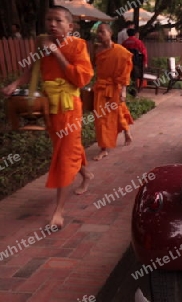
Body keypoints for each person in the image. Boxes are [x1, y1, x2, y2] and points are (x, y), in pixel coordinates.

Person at [1, 6, 94, 228]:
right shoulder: (41, 43)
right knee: (66, 149)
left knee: (63, 156)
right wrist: (15, 84)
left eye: (58, 21)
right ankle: (86, 175)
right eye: (49, 20)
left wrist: (56, 52)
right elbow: (30, 71)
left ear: (70, 26)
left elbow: (81, 79)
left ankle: (58, 212)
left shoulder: (78, 45)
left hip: (70, 107)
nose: (52, 24)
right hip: (51, 107)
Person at [92, 23, 134, 161]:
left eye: (102, 31)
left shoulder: (121, 52)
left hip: (115, 88)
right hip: (100, 88)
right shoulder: (97, 50)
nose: (99, 34)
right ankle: (103, 148)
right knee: (100, 120)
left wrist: (123, 91)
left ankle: (126, 132)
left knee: (117, 114)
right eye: (98, 32)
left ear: (110, 33)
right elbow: (94, 69)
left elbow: (125, 74)